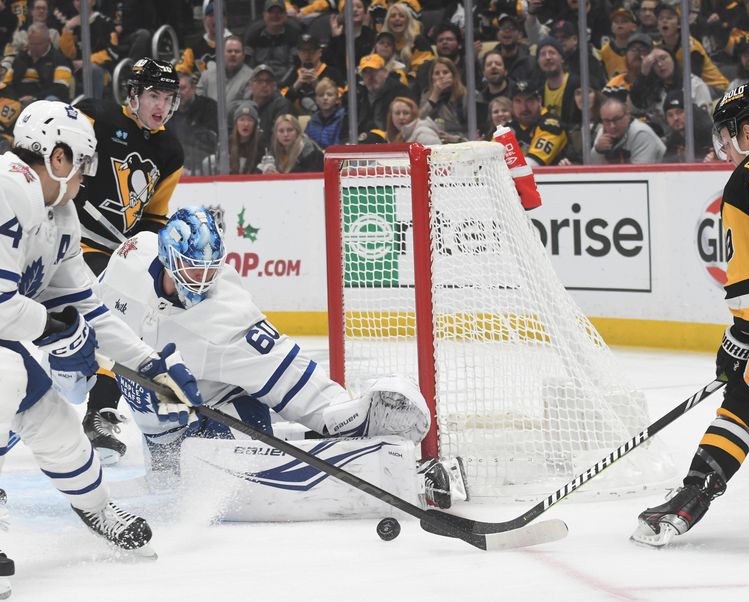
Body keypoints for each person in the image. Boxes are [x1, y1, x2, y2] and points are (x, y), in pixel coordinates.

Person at [93, 207, 463, 509]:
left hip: (208, 417)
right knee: (171, 447)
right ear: (166, 259)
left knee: (254, 434)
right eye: (193, 268)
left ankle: (346, 440)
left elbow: (284, 367)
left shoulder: (226, 314)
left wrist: (338, 414)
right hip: (156, 430)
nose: (202, 280)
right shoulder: (130, 260)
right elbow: (87, 318)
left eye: (211, 268)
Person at [0, 100, 204, 596]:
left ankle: (95, 509)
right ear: (57, 157)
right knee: (5, 374)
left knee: (56, 426)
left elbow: (90, 310)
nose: (87, 176)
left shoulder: (58, 215)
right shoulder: (8, 188)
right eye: (84, 163)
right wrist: (54, 325)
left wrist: (151, 367)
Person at [631, 82, 749, 547]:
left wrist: (740, 341)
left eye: (728, 133)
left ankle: (692, 497)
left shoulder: (746, 181)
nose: (724, 145)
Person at [73, 58, 184, 464]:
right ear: (134, 94)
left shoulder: (170, 149)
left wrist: (145, 252)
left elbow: (155, 212)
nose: (161, 106)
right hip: (75, 243)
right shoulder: (95, 115)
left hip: (121, 250)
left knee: (144, 318)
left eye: (168, 98)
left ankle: (107, 411)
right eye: (154, 95)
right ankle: (96, 411)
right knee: (116, 319)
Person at [2, 21, 72, 103]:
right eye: (31, 44)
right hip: (19, 102)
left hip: (45, 102)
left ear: (48, 41)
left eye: (38, 44)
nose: (34, 47)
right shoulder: (20, 58)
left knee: (52, 98)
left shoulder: (59, 60)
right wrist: (15, 99)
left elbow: (61, 88)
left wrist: (35, 98)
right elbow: (7, 83)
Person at [279, 33, 344, 115]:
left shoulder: (333, 73)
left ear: (320, 52)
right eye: (303, 51)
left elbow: (340, 98)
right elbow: (281, 100)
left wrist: (318, 86)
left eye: (311, 51)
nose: (307, 55)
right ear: (298, 53)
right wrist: (296, 86)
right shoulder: (293, 73)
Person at [508, 78, 568, 165]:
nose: (524, 108)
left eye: (529, 100)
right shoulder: (508, 128)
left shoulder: (551, 126)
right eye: (518, 101)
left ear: (539, 100)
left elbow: (533, 164)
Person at [168, 72, 218, 176]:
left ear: (193, 89)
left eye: (182, 88)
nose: (178, 93)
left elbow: (211, 141)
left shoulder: (208, 107)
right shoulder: (167, 112)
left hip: (204, 167)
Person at [589, 96, 665, 164]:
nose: (612, 126)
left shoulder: (641, 133)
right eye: (606, 121)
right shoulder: (602, 132)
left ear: (628, 116)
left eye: (616, 119)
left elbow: (640, 174)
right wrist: (597, 150)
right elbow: (591, 170)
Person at [243, 0, 304, 83]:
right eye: (271, 12)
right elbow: (247, 66)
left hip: (286, 85)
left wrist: (282, 86)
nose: (275, 15)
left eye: (279, 12)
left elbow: (295, 66)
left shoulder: (293, 35)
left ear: (285, 15)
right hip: (259, 84)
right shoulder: (253, 35)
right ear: (264, 15)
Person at [418, 57, 468, 143]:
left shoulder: (465, 94)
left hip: (460, 140)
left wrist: (455, 138)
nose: (441, 76)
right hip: (434, 141)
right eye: (437, 73)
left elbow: (472, 126)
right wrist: (435, 94)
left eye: (445, 72)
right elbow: (420, 119)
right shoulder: (427, 95)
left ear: (453, 75)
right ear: (432, 77)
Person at [196, 35, 253, 107]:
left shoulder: (251, 77)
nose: (233, 54)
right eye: (229, 51)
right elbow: (197, 103)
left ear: (243, 55)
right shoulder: (207, 76)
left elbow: (247, 107)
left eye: (237, 51)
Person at [536, 36, 580, 127]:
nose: (547, 57)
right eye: (543, 54)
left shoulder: (577, 85)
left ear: (562, 58)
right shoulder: (537, 90)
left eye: (552, 53)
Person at [259, 113, 324, 174]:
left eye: (290, 130)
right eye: (281, 131)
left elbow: (307, 180)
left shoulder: (310, 152)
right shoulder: (274, 151)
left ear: (297, 132)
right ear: (276, 134)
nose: (285, 134)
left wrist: (278, 177)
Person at [305, 77, 345, 149]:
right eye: (321, 95)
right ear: (316, 100)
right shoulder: (312, 121)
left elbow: (339, 147)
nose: (325, 98)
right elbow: (306, 146)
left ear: (337, 99)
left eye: (329, 95)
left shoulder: (343, 119)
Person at [599, 7, 639, 80]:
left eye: (624, 21)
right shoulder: (605, 51)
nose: (619, 24)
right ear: (611, 27)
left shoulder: (640, 49)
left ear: (634, 27)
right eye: (616, 21)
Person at [228, 100, 267, 174]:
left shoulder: (261, 145)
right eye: (242, 120)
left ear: (255, 125)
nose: (246, 124)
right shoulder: (227, 144)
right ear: (236, 123)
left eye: (250, 120)